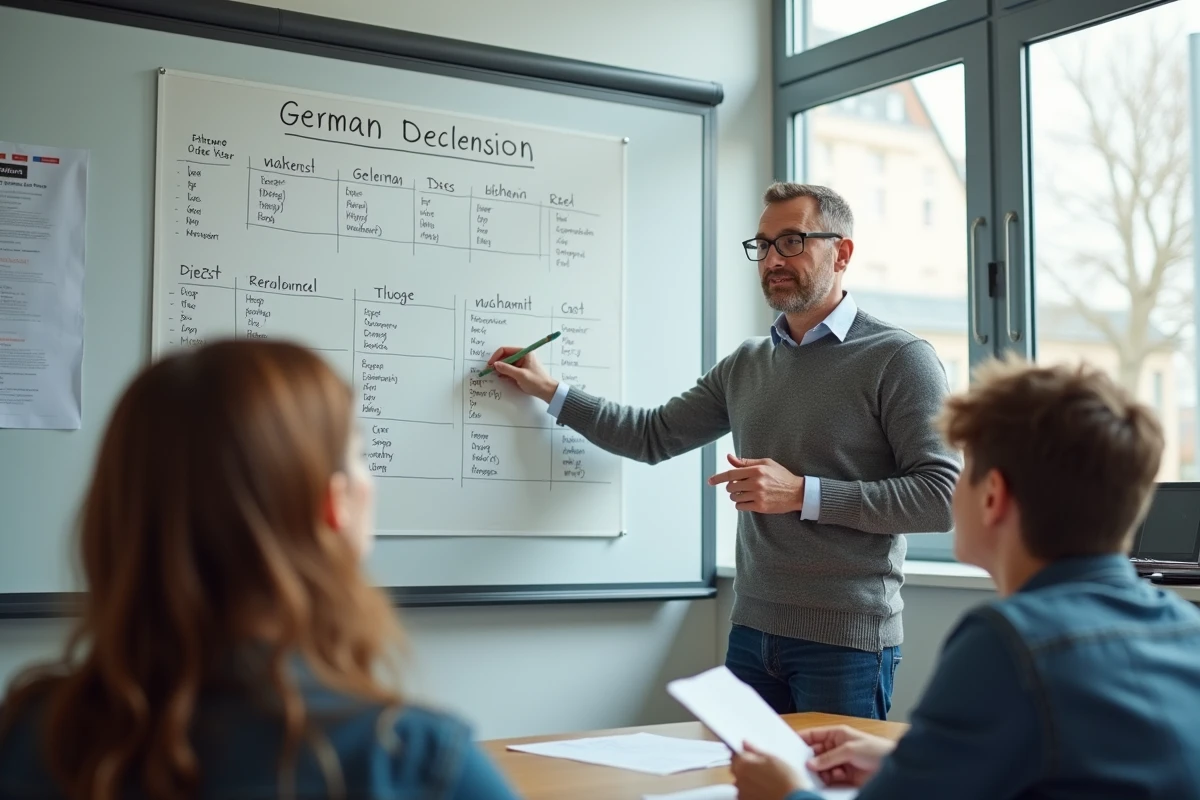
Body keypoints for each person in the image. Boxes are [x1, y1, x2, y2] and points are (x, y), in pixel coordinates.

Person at [489, 182, 960, 719]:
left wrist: (801, 494)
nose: (771, 260)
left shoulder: (899, 358)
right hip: (753, 632)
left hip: (846, 642)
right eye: (761, 245)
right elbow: (652, 435)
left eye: (791, 241)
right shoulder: (748, 362)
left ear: (843, 253)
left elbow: (941, 499)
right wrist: (551, 391)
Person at [0, 341, 520, 800]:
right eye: (360, 457)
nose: (371, 481)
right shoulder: (412, 762)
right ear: (333, 504)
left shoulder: (26, 736)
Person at [732, 358, 1200, 800]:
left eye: (965, 470)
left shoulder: (1007, 641)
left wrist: (788, 792)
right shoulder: (1186, 629)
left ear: (993, 496)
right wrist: (905, 758)